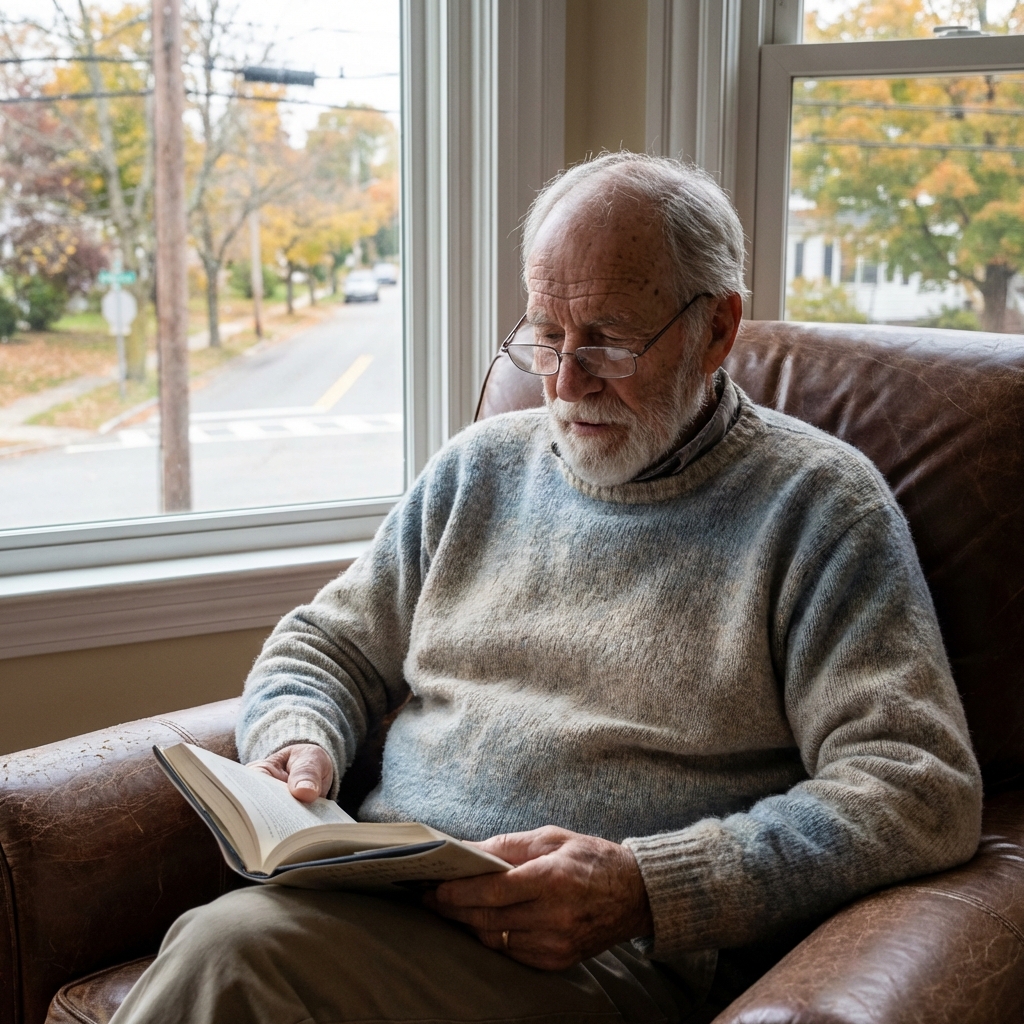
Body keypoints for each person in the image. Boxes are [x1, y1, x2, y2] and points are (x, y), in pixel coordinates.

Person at [111, 153, 982, 1024]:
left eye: (606, 340)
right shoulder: (477, 470)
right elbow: (323, 644)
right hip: (379, 900)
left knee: (230, 955)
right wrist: (301, 737)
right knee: (232, 943)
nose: (563, 381)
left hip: (599, 956)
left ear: (717, 330)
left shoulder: (819, 506)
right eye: (545, 336)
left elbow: (917, 784)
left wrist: (649, 887)